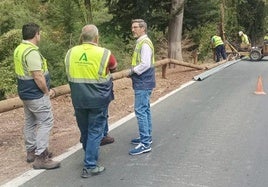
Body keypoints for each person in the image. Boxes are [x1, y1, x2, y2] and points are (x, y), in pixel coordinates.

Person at [65, 24, 117, 178]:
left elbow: (68, 72)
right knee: (95, 131)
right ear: (97, 37)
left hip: (78, 98)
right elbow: (114, 67)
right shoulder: (104, 53)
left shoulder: (70, 52)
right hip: (98, 99)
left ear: (82, 37)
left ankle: (90, 154)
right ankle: (90, 165)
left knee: (85, 129)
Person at [13, 22, 60, 169]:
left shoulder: (19, 49)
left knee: (30, 121)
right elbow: (38, 76)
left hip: (25, 93)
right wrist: (47, 92)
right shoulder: (31, 52)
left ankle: (31, 150)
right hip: (36, 94)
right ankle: (41, 157)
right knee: (46, 121)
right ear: (36, 34)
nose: (40, 36)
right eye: (39, 33)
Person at [128, 19, 156, 156]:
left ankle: (145, 143)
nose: (133, 30)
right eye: (132, 27)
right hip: (145, 81)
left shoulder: (144, 44)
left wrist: (132, 71)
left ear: (143, 28)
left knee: (140, 110)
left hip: (143, 81)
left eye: (135, 27)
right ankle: (147, 137)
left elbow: (144, 64)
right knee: (145, 109)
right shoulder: (142, 42)